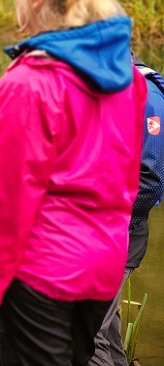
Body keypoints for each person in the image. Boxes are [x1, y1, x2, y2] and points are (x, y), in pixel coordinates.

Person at [0, 0, 148, 366]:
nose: (15, 0)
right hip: (104, 268)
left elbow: (6, 204)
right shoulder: (129, 79)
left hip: (41, 275)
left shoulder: (27, 85)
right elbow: (124, 184)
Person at [89, 56, 164, 366]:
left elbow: (151, 179)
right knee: (104, 333)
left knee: (85, 335)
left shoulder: (147, 96)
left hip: (119, 233)